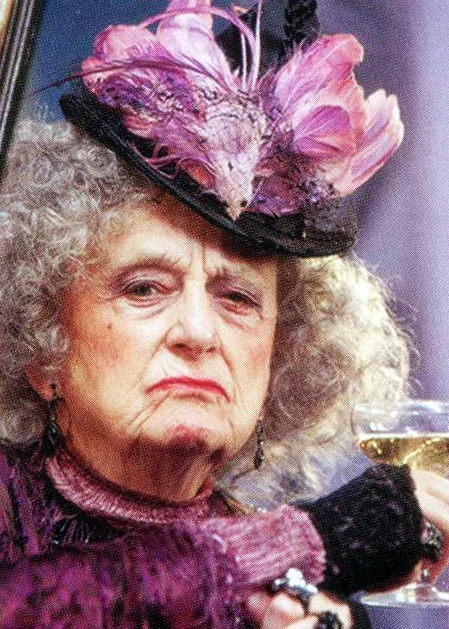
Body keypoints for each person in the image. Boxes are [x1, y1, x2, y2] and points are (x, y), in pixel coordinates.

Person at [0, 1, 448, 627]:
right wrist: (299, 542)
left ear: (282, 355)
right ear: (41, 347)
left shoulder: (297, 593)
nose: (198, 333)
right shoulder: (291, 550)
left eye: (237, 299)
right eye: (144, 289)